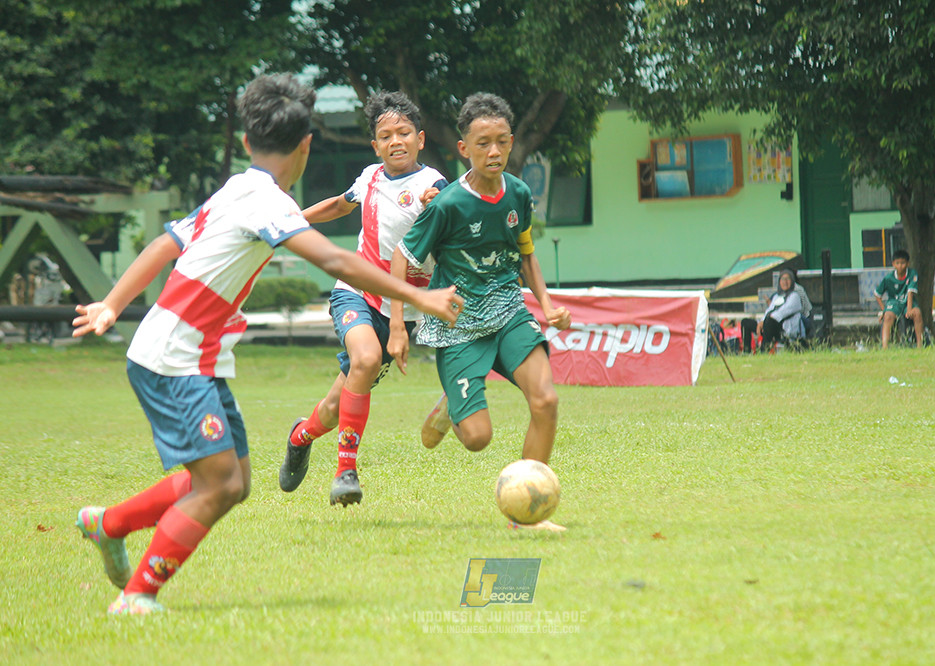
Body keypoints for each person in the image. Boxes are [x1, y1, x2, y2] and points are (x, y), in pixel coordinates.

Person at [71, 73, 463, 615]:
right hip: (172, 361)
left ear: (248, 143)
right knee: (217, 486)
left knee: (234, 482)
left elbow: (167, 241)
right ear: (306, 146)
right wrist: (421, 299)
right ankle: (138, 596)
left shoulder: (237, 187)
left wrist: (112, 303)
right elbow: (336, 260)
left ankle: (107, 524)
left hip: (192, 357)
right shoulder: (270, 205)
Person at [393, 92, 572, 532]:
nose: (493, 152)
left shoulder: (520, 193)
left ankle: (525, 516)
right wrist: (398, 324)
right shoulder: (448, 203)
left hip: (509, 310)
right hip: (459, 326)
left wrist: (546, 305)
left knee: (545, 400)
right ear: (464, 149)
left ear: (511, 142)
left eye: (502, 142)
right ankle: (450, 407)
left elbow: (526, 252)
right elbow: (402, 257)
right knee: (477, 439)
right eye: (483, 143)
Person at [279, 91, 448, 507]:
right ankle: (345, 473)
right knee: (367, 359)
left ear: (420, 139)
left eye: (404, 132)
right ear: (375, 146)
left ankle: (300, 437)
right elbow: (339, 206)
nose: (396, 141)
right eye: (386, 135)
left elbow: (443, 215)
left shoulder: (433, 185)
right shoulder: (369, 176)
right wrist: (290, 221)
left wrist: (437, 205)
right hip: (356, 292)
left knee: (336, 406)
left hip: (403, 308)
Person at [741, 269, 804, 352]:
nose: (785, 282)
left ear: (792, 281)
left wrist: (765, 322)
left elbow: (782, 312)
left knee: (769, 321)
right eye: (782, 279)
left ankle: (764, 351)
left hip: (784, 328)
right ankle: (746, 351)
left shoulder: (795, 296)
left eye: (787, 279)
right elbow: (769, 310)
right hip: (768, 324)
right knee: (745, 322)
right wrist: (761, 322)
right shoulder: (777, 296)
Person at [874, 248, 923, 348]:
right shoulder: (888, 278)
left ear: (908, 264)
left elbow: (910, 292)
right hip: (894, 303)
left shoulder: (912, 274)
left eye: (903, 263)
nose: (900, 266)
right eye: (897, 263)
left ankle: (920, 344)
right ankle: (884, 346)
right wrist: (884, 310)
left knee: (917, 313)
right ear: (893, 264)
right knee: (888, 317)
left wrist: (909, 309)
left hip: (908, 303)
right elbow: (877, 294)